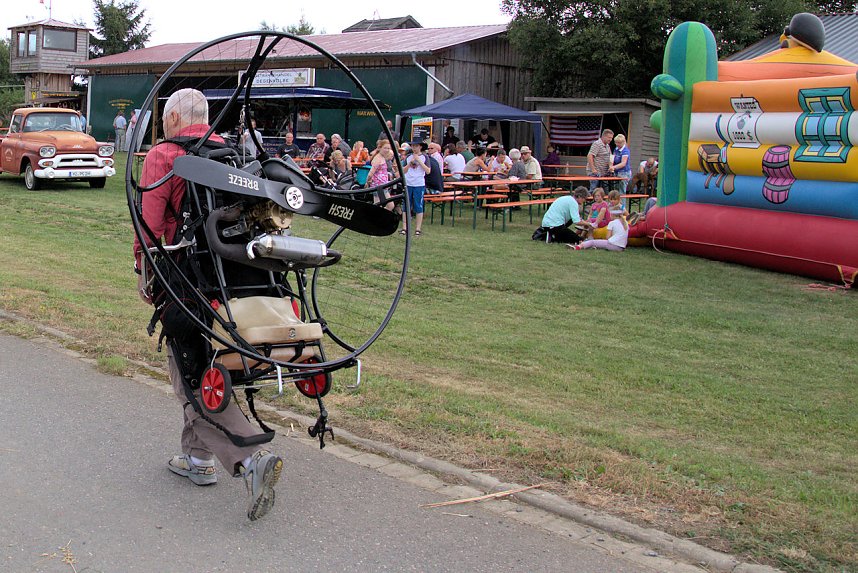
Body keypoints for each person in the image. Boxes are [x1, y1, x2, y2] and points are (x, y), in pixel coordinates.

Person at [133, 88, 282, 521]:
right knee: (206, 361)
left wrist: (145, 275)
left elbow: (151, 226)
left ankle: (249, 460)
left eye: (165, 118)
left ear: (175, 118)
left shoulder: (164, 156)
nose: (164, 125)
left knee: (192, 376)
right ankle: (197, 460)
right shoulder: (232, 154)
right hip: (242, 279)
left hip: (189, 280)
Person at [402, 140, 430, 236]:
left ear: (420, 147)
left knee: (418, 205)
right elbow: (403, 171)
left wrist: (418, 160)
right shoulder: (408, 157)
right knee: (406, 205)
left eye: (416, 146)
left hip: (419, 184)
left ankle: (418, 228)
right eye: (413, 146)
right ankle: (404, 227)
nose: (414, 148)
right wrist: (409, 164)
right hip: (408, 183)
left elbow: (428, 171)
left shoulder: (425, 157)